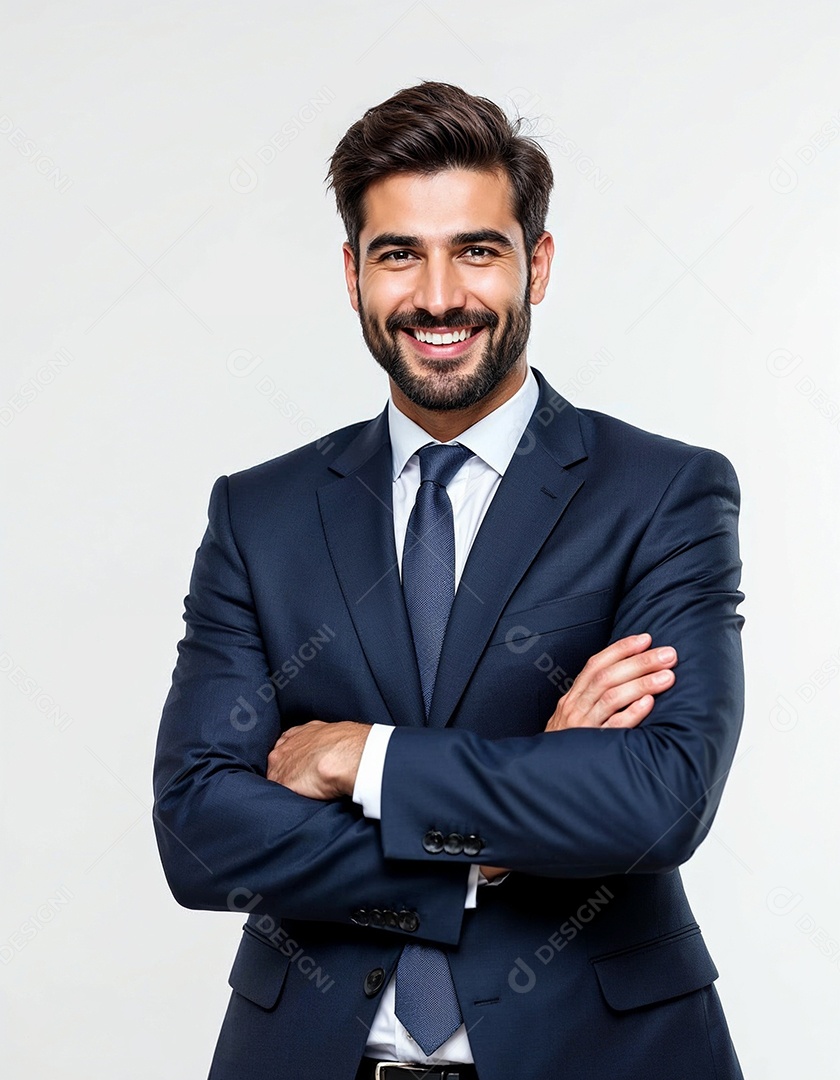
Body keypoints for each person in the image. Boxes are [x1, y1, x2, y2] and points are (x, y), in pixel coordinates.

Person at [153, 81, 746, 1080]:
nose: (437, 297)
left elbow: (660, 797)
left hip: (605, 1053)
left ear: (537, 265)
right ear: (352, 274)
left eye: (476, 249)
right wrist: (494, 839)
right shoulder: (260, 516)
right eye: (399, 254)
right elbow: (201, 830)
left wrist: (365, 759)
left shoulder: (662, 494)